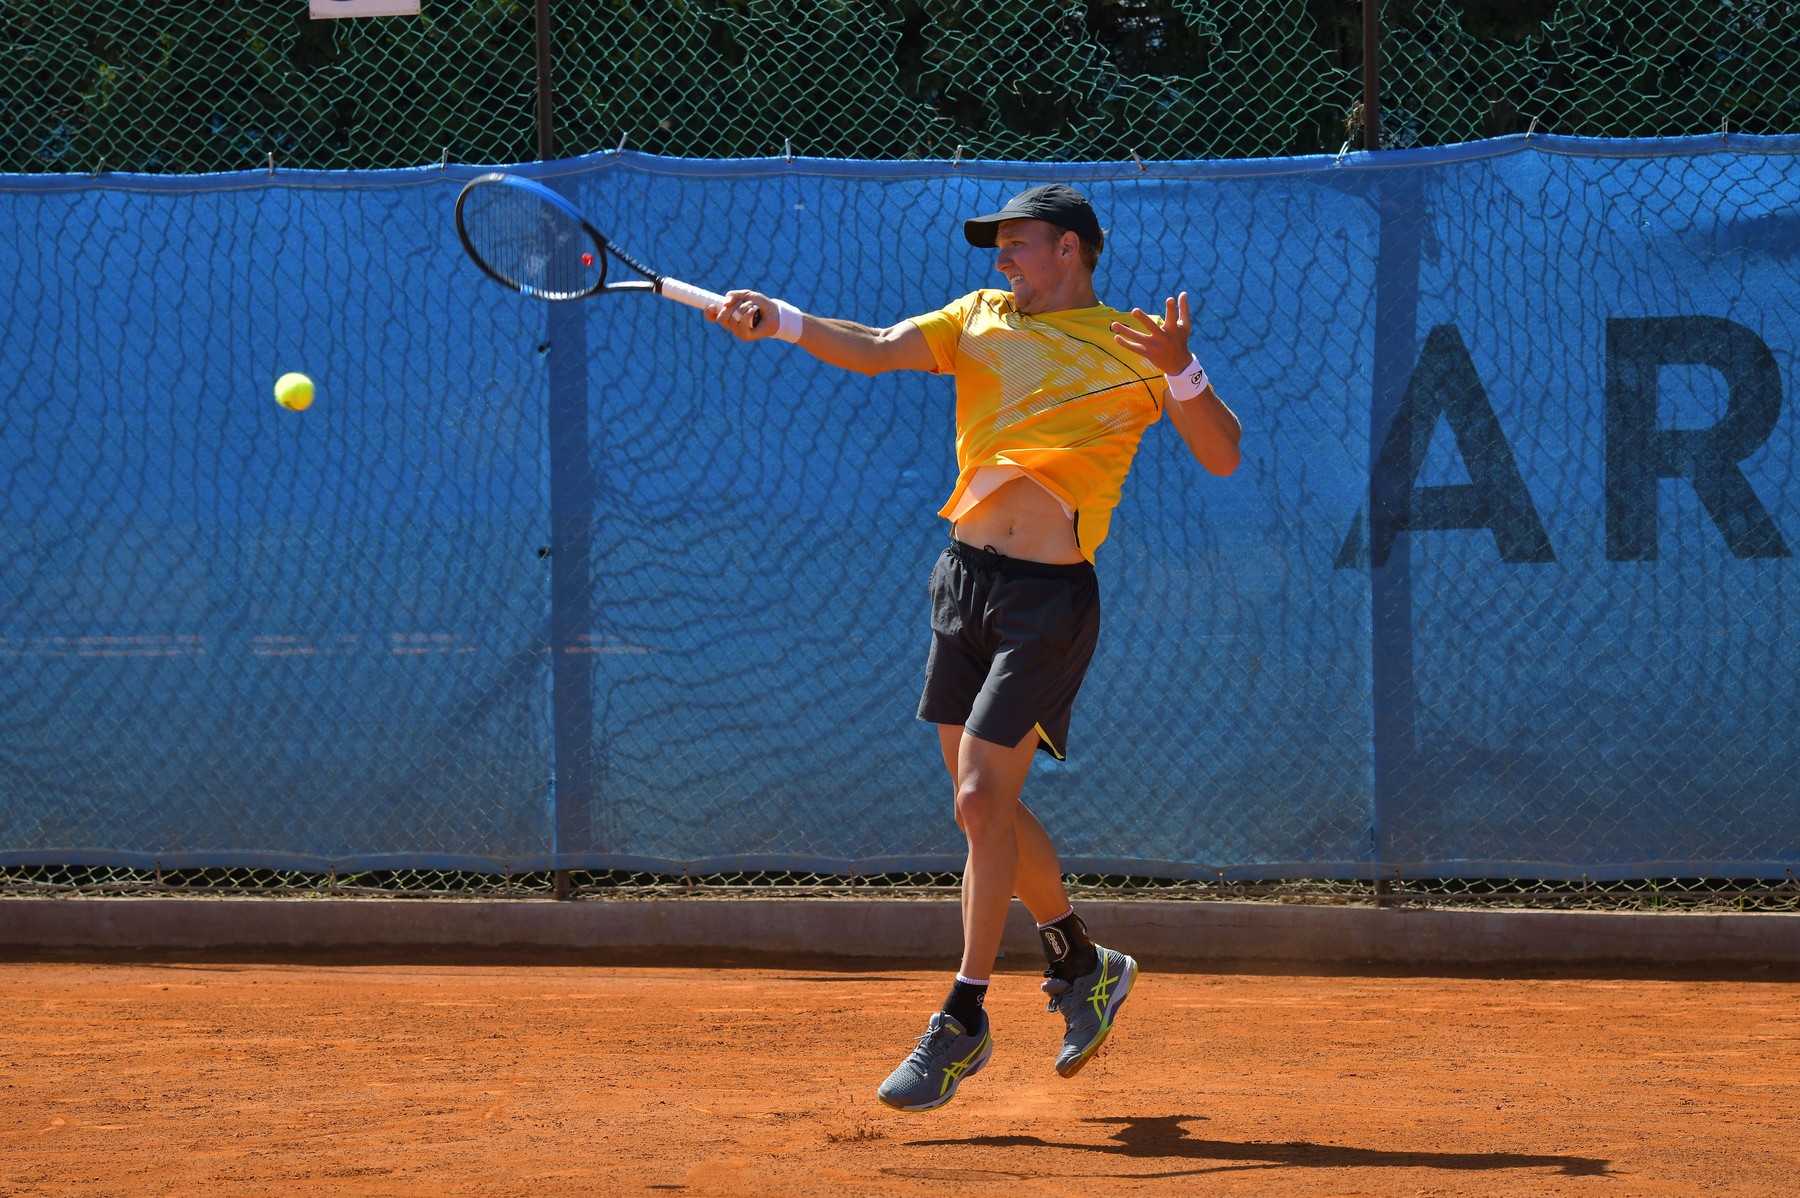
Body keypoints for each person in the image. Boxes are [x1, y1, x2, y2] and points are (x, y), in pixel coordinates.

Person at [707, 182, 1241, 1110]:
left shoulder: (1132, 347)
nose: (1002, 261)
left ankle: (963, 1017)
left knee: (978, 796)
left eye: (1020, 245)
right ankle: (1082, 962)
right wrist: (782, 319)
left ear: (1071, 249)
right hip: (962, 583)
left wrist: (1185, 371)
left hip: (1048, 599)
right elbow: (875, 348)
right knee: (981, 814)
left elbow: (1224, 453)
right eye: (998, 247)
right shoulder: (979, 317)